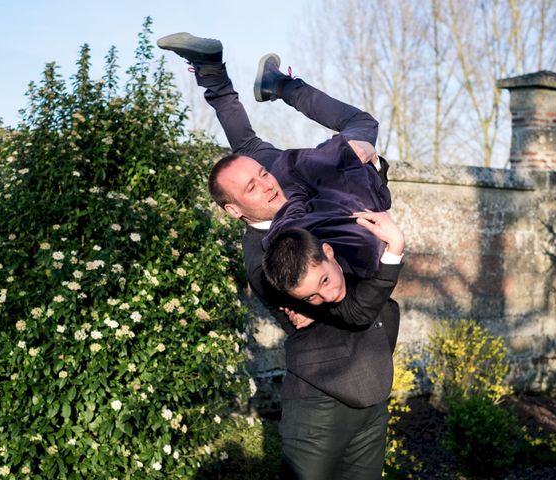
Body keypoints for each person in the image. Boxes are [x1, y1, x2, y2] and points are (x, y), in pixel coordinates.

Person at [157, 32, 403, 479]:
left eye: (264, 176)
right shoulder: (265, 261)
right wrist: (391, 254)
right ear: (234, 210)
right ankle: (273, 83)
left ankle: (278, 83)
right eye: (253, 188)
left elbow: (245, 141)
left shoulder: (278, 174)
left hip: (373, 389)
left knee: (360, 126)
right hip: (322, 401)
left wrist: (213, 78)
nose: (268, 185)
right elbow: (353, 311)